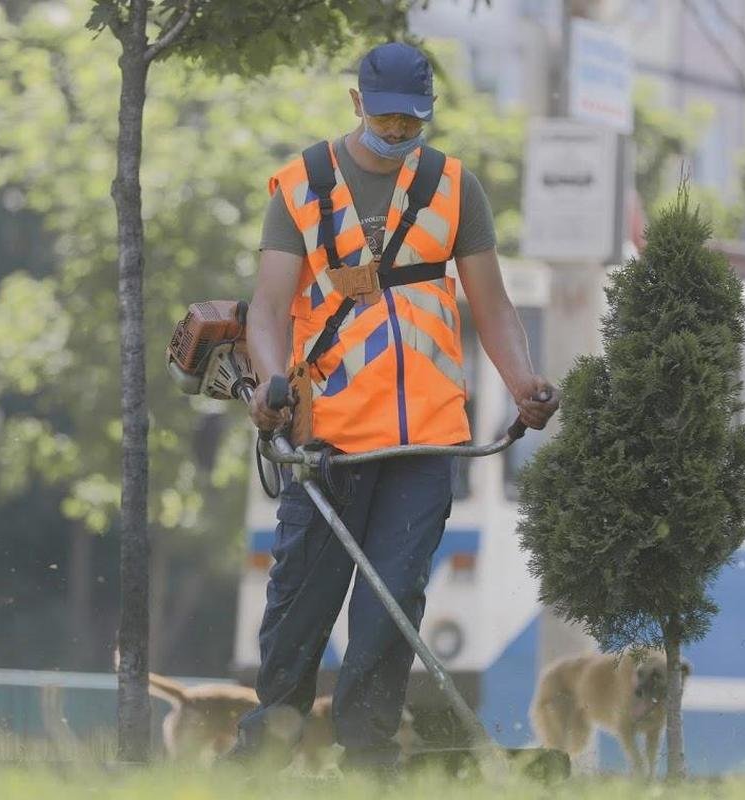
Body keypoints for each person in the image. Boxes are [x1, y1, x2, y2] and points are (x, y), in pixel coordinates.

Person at [233, 42, 560, 771]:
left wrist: (524, 384)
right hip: (329, 441)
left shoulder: (452, 186)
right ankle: (263, 756)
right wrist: (267, 384)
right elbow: (267, 311)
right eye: (385, 121)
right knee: (300, 608)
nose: (397, 135)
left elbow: (493, 306)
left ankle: (369, 763)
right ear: (357, 104)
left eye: (411, 124)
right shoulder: (303, 186)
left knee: (393, 605)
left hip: (425, 444)